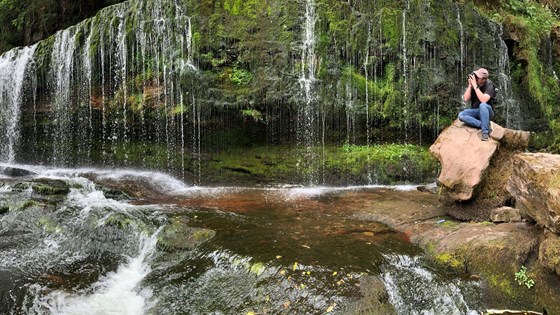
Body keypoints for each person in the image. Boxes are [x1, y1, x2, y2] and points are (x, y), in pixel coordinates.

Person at [458, 67, 496, 141]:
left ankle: (485, 133)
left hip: (487, 112)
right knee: (461, 115)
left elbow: (484, 100)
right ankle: (484, 125)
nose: (475, 78)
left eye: (477, 77)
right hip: (476, 111)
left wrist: (475, 87)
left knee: (483, 105)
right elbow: (465, 99)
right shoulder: (474, 85)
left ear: (483, 79)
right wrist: (470, 85)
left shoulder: (489, 85)